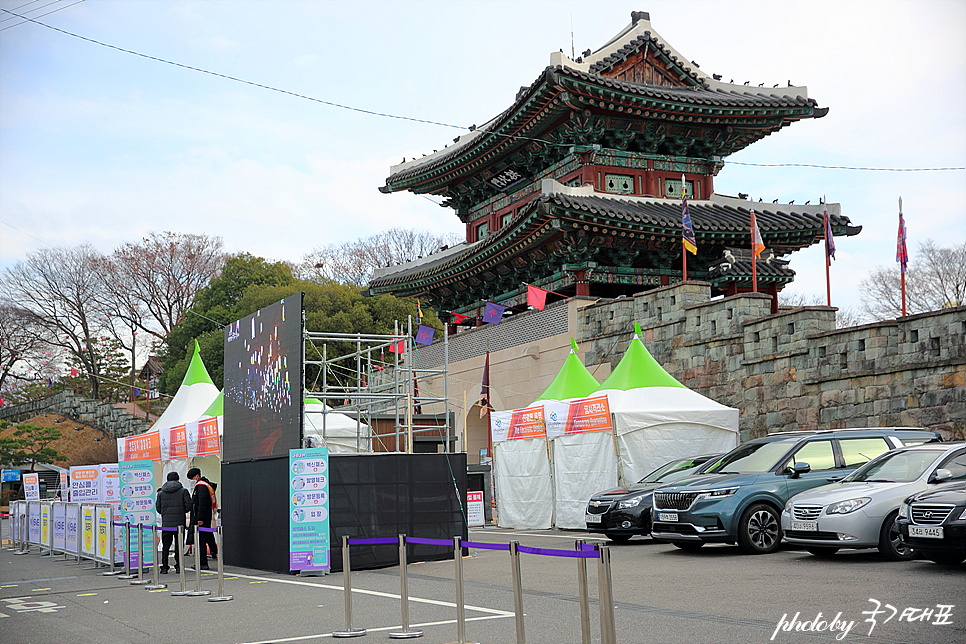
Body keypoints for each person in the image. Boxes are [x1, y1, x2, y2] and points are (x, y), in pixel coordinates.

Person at [155, 471, 191, 574]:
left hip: (166, 523)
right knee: (179, 545)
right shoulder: (183, 491)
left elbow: (158, 508)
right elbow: (188, 506)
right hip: (179, 522)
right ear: (178, 479)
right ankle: (179, 566)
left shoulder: (161, 493)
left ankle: (165, 566)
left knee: (166, 545)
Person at [187, 467, 218, 570]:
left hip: (201, 519)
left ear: (197, 476)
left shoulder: (201, 487)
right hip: (203, 517)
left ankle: (203, 563)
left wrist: (199, 518)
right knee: (206, 537)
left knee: (201, 541)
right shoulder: (204, 485)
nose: (191, 481)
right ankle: (212, 552)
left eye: (192, 478)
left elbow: (202, 504)